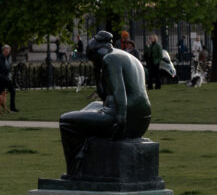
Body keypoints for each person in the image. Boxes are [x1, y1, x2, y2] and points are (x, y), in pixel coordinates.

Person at [55, 30, 153, 177]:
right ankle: (86, 153)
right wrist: (96, 71)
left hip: (124, 118)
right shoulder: (125, 56)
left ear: (96, 52)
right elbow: (105, 96)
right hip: (141, 121)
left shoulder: (110, 59)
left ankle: (74, 171)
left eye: (93, 59)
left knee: (65, 121)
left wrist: (119, 121)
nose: (95, 63)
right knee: (92, 106)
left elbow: (120, 94)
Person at [0, 44, 20, 113]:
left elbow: (9, 68)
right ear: (3, 51)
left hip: (7, 78)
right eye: (6, 51)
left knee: (13, 91)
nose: (7, 52)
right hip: (1, 79)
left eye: (8, 51)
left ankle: (12, 108)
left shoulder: (9, 57)